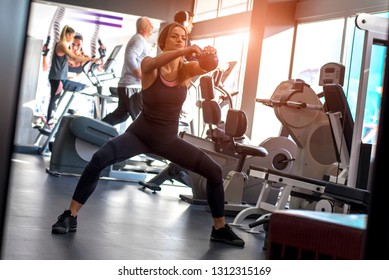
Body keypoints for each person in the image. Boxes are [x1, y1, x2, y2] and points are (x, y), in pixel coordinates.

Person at [51, 22, 245, 247]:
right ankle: (70, 215)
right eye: (175, 37)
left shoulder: (185, 70)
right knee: (98, 159)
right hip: (140, 135)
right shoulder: (149, 64)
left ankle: (219, 229)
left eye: (183, 37)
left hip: (168, 140)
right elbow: (156, 61)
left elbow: (205, 67)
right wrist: (184, 51)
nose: (180, 40)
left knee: (213, 171)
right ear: (163, 41)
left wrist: (211, 58)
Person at [101, 16, 153, 126]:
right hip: (131, 86)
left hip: (126, 85)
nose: (152, 27)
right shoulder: (139, 39)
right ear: (143, 28)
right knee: (141, 119)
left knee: (120, 116)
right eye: (150, 25)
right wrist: (139, 74)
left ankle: (96, 129)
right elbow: (130, 56)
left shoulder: (138, 39)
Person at [46, 25, 99, 124]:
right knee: (54, 100)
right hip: (58, 77)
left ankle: (50, 122)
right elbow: (74, 58)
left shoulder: (62, 45)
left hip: (58, 77)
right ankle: (49, 123)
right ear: (68, 35)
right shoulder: (62, 45)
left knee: (55, 99)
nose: (72, 41)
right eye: (72, 36)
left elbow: (71, 59)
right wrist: (91, 59)